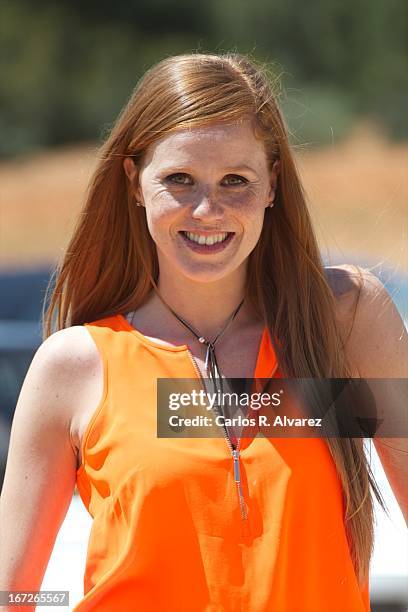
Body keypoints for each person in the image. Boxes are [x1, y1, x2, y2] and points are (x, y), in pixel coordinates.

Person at [0, 52, 407, 612]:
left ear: (272, 186)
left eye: (236, 180)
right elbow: (12, 592)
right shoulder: (76, 367)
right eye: (180, 179)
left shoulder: (344, 321)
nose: (208, 210)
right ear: (135, 182)